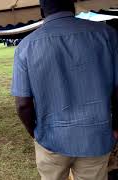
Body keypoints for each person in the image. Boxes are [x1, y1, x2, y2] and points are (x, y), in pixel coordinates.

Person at [11, 0, 118, 179]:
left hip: (51, 139)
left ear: (41, 11)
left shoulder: (26, 46)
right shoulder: (107, 35)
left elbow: (23, 105)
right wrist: (116, 127)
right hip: (97, 136)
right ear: (73, 5)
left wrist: (36, 133)